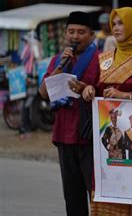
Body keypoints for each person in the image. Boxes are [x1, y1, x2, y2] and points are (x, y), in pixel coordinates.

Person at [82, 7, 132, 215]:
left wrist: (126, 96)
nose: (116, 28)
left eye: (122, 23)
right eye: (115, 23)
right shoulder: (105, 58)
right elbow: (92, 85)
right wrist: (88, 89)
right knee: (104, 186)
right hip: (106, 137)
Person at [38, 11, 100, 216]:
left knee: (96, 193)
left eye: (81, 32)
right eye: (71, 31)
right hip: (65, 134)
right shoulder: (58, 59)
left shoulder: (101, 60)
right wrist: (59, 67)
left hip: (90, 135)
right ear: (65, 34)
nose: (75, 36)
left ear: (91, 34)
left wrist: (86, 89)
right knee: (72, 196)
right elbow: (44, 93)